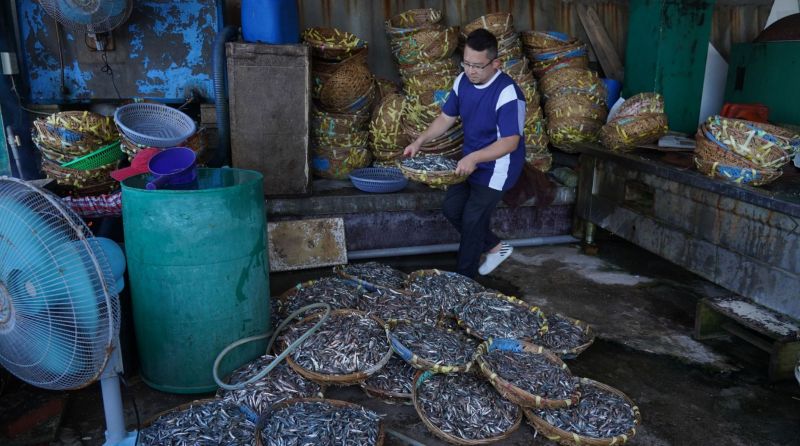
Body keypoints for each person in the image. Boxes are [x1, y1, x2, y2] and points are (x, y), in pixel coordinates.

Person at [403, 28, 526, 278]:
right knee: (452, 209)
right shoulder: (462, 81)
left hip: (498, 167)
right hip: (469, 161)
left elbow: (511, 142)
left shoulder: (508, 93)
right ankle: (495, 247)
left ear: (495, 63)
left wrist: (475, 157)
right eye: (466, 63)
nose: (471, 70)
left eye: (477, 66)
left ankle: (465, 280)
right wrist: (420, 141)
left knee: (471, 219)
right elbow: (446, 118)